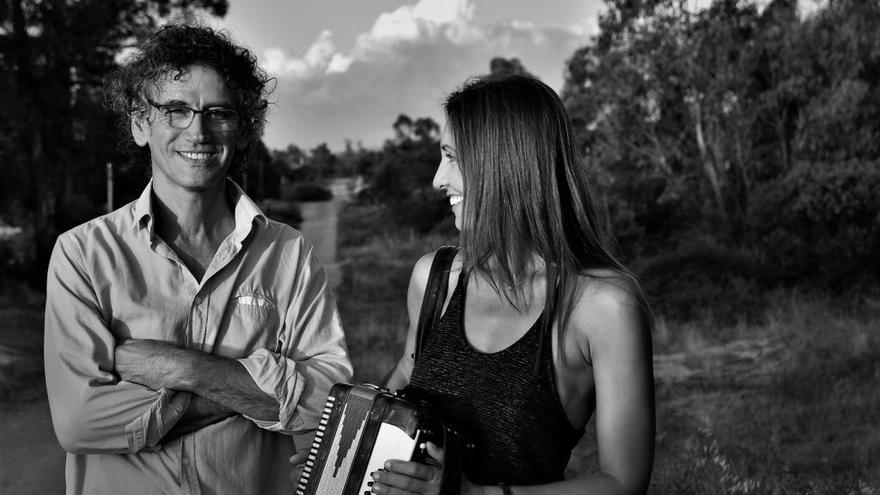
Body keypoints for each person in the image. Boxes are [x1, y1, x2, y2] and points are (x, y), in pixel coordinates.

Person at [43, 24, 352, 494]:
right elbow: (80, 422)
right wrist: (257, 386)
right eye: (176, 110)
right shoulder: (83, 254)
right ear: (140, 123)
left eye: (218, 112)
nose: (199, 131)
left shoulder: (289, 253)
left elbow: (328, 399)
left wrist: (183, 370)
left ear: (242, 125)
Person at [379, 74, 655, 495]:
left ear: (503, 162)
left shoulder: (601, 307)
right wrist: (341, 440)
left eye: (452, 157)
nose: (438, 178)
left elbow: (623, 481)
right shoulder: (433, 278)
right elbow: (407, 371)